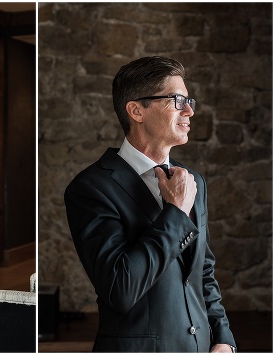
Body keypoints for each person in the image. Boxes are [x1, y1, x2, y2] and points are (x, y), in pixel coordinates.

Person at [64, 56, 236, 352]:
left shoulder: (193, 181)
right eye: (177, 100)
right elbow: (120, 288)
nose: (190, 111)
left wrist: (223, 338)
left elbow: (202, 272)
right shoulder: (90, 188)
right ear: (136, 110)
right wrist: (175, 211)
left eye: (189, 100)